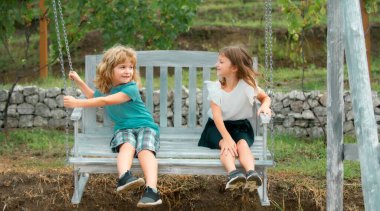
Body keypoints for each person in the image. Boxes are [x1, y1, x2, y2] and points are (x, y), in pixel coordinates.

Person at [64, 45, 162, 208]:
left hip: (145, 126)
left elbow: (104, 101)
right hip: (123, 129)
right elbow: (93, 96)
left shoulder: (131, 88)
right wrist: (79, 81)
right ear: (109, 70)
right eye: (122, 67)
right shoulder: (108, 89)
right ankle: (124, 177)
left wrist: (77, 102)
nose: (128, 71)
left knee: (145, 149)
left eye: (131, 67)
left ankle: (151, 191)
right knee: (126, 146)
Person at [198, 46, 271, 191]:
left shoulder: (248, 86)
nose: (217, 65)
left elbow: (265, 97)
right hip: (216, 127)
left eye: (221, 62)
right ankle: (233, 174)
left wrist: (265, 106)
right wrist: (226, 138)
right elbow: (217, 116)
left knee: (242, 144)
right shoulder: (216, 88)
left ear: (234, 68)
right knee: (227, 146)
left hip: (240, 126)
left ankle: (251, 173)